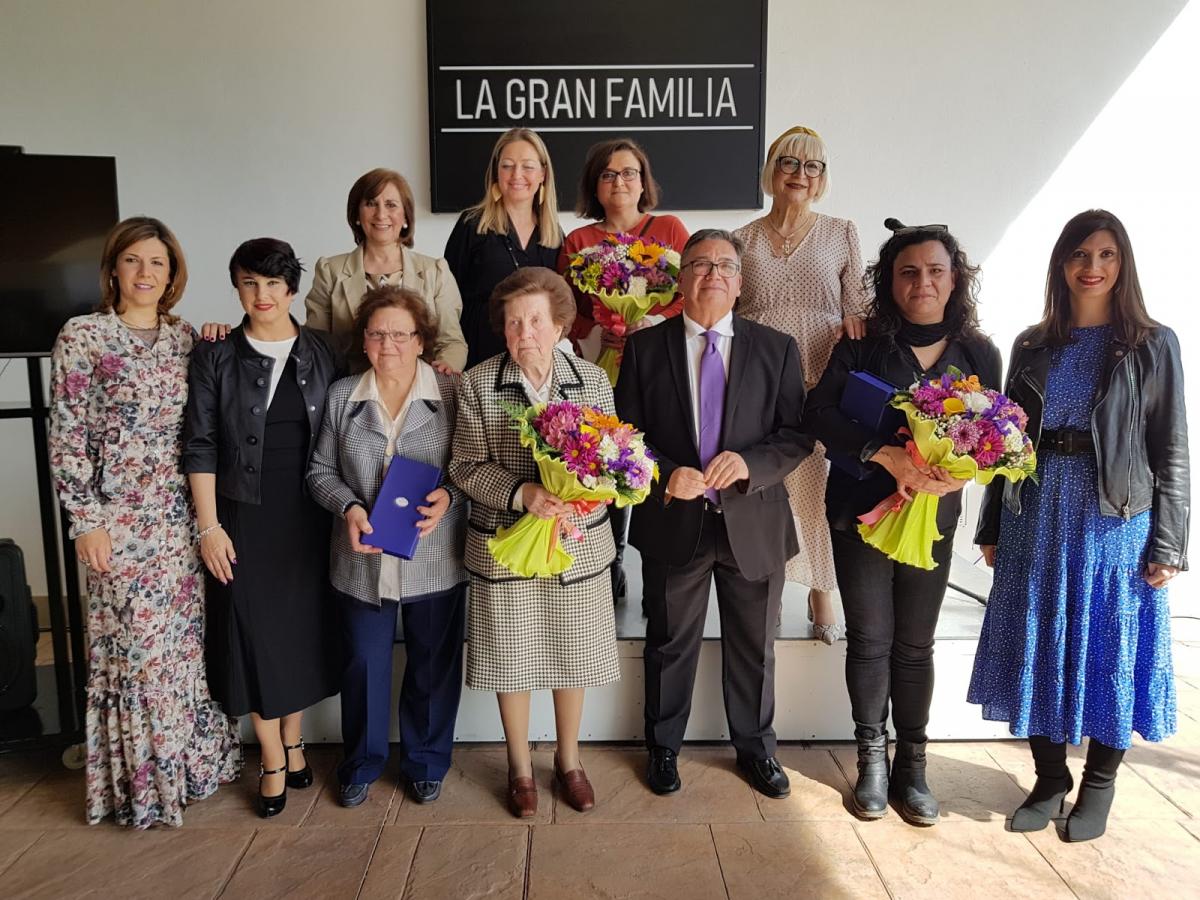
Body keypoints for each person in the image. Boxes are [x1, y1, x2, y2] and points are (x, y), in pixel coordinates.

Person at [968, 210, 1188, 842]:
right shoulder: (1033, 344)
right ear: (1061, 264)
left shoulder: (1151, 342)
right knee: (1036, 643)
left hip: (1114, 519)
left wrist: (1168, 542)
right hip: (1036, 513)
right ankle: (1048, 779)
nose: (1092, 267)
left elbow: (1170, 446)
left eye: (1106, 255)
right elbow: (1003, 441)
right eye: (1080, 255)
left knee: (1110, 651)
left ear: (1123, 266)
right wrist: (992, 522)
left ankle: (1097, 784)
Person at [802, 221, 1001, 826]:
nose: (923, 282)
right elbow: (818, 412)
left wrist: (962, 475)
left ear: (954, 278)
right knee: (869, 638)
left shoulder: (979, 353)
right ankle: (871, 760)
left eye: (935, 271)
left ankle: (912, 765)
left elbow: (997, 438)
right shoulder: (861, 343)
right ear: (890, 281)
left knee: (915, 643)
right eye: (909, 272)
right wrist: (881, 453)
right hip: (860, 511)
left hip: (932, 519)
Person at [48, 216, 241, 828]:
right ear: (113, 268)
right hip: (118, 524)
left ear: (172, 273)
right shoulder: (83, 337)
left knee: (182, 652)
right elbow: (67, 438)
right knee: (135, 655)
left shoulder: (187, 338)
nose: (145, 273)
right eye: (133, 260)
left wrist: (219, 335)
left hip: (179, 522)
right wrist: (86, 520)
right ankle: (141, 785)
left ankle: (187, 772)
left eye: (157, 262)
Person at [614, 229, 809, 800]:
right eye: (700, 264)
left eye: (725, 264)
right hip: (676, 521)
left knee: (755, 646)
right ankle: (663, 747)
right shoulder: (646, 349)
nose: (713, 273)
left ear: (741, 282)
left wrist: (749, 463)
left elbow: (796, 436)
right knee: (670, 642)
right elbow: (625, 437)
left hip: (754, 523)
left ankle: (756, 749)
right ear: (682, 278)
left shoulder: (777, 348)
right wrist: (664, 469)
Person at [449, 267, 619, 818]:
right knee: (511, 660)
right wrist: (523, 493)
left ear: (561, 326)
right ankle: (520, 767)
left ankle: (569, 761)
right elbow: (466, 468)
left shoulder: (592, 382)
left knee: (574, 656)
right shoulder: (478, 384)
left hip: (577, 544)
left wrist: (584, 496)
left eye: (536, 321)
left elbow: (613, 461)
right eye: (514, 323)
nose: (525, 332)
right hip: (506, 543)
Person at [182, 238, 341, 818]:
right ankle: (272, 758)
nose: (262, 295)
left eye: (273, 284)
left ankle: (294, 742)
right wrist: (209, 526)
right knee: (254, 633)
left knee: (298, 633)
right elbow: (198, 444)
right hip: (242, 510)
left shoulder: (322, 350)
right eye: (250, 284)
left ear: (291, 289)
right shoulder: (216, 354)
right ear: (236, 288)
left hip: (309, 511)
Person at [307, 286, 467, 809]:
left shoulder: (452, 394)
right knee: (363, 664)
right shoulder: (342, 396)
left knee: (431, 665)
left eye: (400, 333)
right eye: (377, 333)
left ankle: (425, 761)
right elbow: (319, 472)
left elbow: (471, 467)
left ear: (421, 341)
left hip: (434, 557)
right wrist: (349, 507)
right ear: (364, 341)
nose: (388, 344)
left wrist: (450, 495)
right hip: (359, 560)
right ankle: (361, 763)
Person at [734, 125, 867, 644]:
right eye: (789, 163)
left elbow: (856, 310)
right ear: (772, 170)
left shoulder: (840, 233)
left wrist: (854, 332)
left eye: (812, 166)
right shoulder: (742, 239)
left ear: (822, 178)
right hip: (760, 379)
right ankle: (759, 596)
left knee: (815, 490)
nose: (800, 175)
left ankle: (822, 597)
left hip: (819, 376)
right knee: (766, 489)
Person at [558, 137, 688, 606]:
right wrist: (600, 329)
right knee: (607, 459)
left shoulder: (669, 229)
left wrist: (650, 323)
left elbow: (690, 297)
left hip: (662, 368)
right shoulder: (579, 242)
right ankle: (609, 558)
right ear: (595, 184)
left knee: (655, 458)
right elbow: (563, 309)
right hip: (601, 369)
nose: (620, 182)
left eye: (629, 172)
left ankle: (657, 568)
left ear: (644, 180)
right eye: (609, 174)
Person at [304, 168, 468, 374]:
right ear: (357, 214)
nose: (381, 214)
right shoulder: (330, 271)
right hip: (348, 391)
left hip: (419, 389)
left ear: (406, 216)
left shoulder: (435, 271)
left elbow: (452, 342)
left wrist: (439, 375)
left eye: (391, 205)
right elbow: (316, 346)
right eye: (371, 203)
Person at [444, 127, 564, 369]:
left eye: (528, 166)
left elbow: (559, 307)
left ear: (543, 173)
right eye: (507, 165)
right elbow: (446, 299)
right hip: (478, 357)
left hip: (533, 361)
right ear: (496, 173)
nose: (516, 174)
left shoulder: (555, 236)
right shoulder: (472, 225)